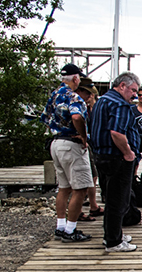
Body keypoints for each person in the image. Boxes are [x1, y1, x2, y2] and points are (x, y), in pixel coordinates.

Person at [90, 72, 142, 253]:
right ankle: (113, 241)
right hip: (117, 158)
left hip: (102, 156)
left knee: (110, 198)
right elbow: (117, 133)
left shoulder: (102, 101)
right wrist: (128, 153)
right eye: (133, 90)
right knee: (118, 201)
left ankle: (114, 233)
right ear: (122, 86)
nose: (135, 95)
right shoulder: (120, 104)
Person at [40, 63, 93, 243]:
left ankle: (60, 226)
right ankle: (70, 230)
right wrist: (83, 136)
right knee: (80, 188)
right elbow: (77, 116)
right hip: (71, 144)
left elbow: (44, 118)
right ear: (76, 78)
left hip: (55, 143)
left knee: (64, 187)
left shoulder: (54, 96)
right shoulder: (73, 97)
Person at [75, 77, 103, 219]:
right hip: (81, 144)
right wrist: (83, 137)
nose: (89, 97)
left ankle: (93, 205)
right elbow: (77, 119)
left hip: (89, 144)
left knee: (92, 176)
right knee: (83, 180)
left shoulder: (89, 106)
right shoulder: (76, 103)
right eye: (88, 94)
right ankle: (77, 212)